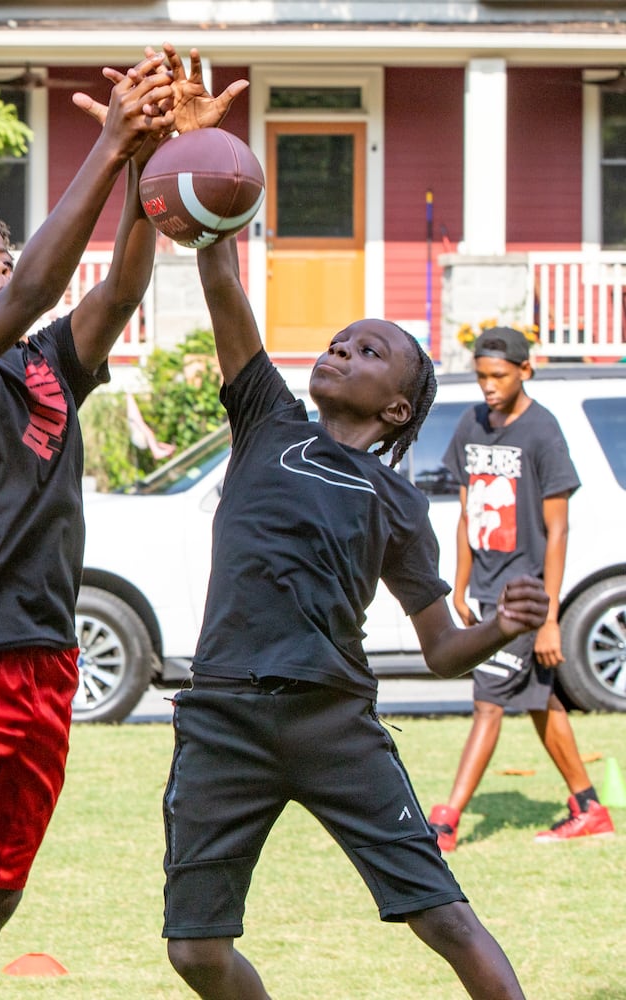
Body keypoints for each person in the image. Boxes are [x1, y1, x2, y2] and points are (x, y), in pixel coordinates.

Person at [0, 49, 244, 1000]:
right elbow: (33, 287)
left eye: (0, 248)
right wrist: (109, 146)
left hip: (45, 662)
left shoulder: (45, 365)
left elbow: (112, 295)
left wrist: (158, 166)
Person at [160, 237, 552, 1000]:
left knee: (445, 921)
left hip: (332, 722)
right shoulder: (267, 422)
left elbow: (441, 649)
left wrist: (503, 624)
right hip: (223, 719)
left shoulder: (398, 501)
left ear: (396, 407)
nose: (342, 345)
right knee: (195, 953)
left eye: (369, 350)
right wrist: (203, 192)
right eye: (341, 338)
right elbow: (223, 286)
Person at [428, 327, 615, 852]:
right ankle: (588, 807)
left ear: (524, 371)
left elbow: (559, 530)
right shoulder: (470, 425)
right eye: (481, 376)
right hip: (486, 591)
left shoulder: (542, 432)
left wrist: (550, 615)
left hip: (525, 596)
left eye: (499, 376)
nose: (488, 386)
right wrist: (459, 586)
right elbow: (467, 514)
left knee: (488, 701)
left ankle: (446, 822)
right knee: (539, 700)